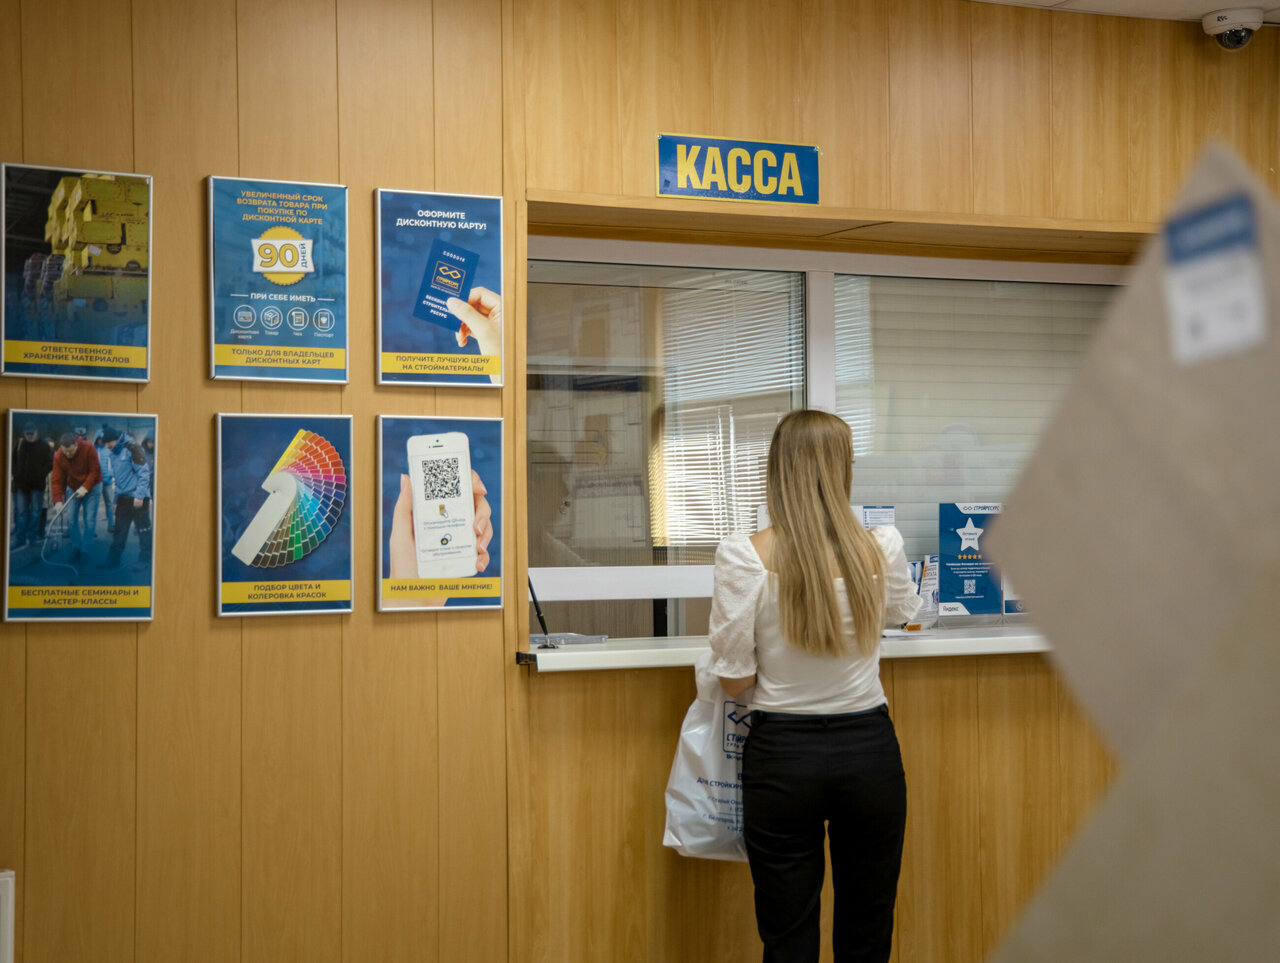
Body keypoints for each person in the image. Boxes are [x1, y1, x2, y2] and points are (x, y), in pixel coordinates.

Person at [708, 410, 921, 963]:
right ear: (844, 469)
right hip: (869, 754)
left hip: (783, 760)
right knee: (867, 931)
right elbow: (904, 611)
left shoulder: (744, 555)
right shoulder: (881, 547)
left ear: (777, 470)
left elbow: (735, 679)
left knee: (788, 937)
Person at [99, 426, 151, 570]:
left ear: (116, 439)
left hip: (138, 498)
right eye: (105, 443)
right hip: (123, 498)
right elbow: (118, 479)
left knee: (143, 530)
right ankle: (113, 560)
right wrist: (115, 501)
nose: (107, 446)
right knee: (119, 531)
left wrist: (139, 496)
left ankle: (145, 560)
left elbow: (144, 473)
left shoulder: (133, 448)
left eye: (109, 442)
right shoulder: (112, 454)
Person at [50, 431, 102, 562]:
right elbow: (56, 479)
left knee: (89, 519)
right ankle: (76, 547)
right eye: (65, 452)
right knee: (71, 519)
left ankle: (85, 550)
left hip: (93, 486)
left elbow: (94, 471)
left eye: (70, 451)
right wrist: (58, 501)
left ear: (76, 445)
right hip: (73, 486)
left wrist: (86, 487)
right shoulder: (58, 456)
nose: (68, 454)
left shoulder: (88, 448)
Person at [11, 420, 53, 549]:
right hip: (21, 485)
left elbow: (50, 462)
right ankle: (20, 539)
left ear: (36, 432)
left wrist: (41, 473)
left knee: (35, 512)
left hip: (37, 485)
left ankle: (32, 538)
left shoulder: (44, 445)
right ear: (24, 433)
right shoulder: (20, 444)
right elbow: (12, 460)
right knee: (21, 513)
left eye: (31, 433)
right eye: (27, 433)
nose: (29, 436)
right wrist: (16, 473)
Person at [95, 433, 115, 533]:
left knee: (110, 503)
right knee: (94, 505)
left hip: (107, 481)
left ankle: (111, 525)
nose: (100, 440)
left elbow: (113, 463)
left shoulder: (108, 450)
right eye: (98, 438)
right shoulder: (92, 450)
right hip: (95, 483)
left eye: (101, 438)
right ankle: (92, 529)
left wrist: (110, 474)